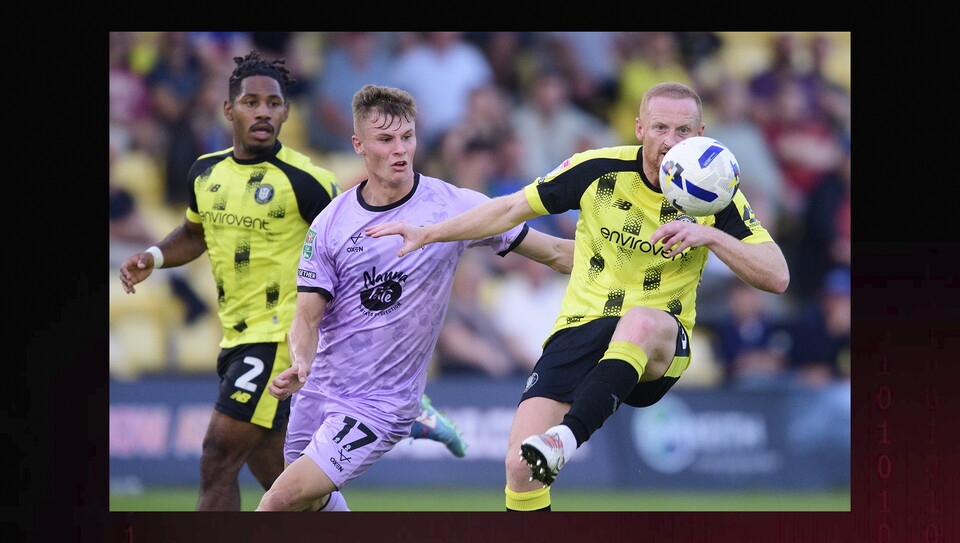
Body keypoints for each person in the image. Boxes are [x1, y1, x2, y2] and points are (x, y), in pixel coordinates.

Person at [367, 81, 789, 511]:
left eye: (683, 131)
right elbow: (512, 209)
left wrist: (710, 236)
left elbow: (777, 276)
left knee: (639, 320)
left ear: (700, 134)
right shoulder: (597, 170)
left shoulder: (714, 192)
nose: (671, 141)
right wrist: (431, 233)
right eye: (661, 127)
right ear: (640, 127)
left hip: (659, 339)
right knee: (519, 468)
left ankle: (565, 439)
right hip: (581, 328)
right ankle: (550, 452)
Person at [117, 53, 466, 511]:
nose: (263, 111)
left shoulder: (308, 182)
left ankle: (398, 406)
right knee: (284, 476)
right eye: (250, 102)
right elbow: (194, 233)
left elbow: (353, 245)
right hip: (237, 334)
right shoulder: (205, 172)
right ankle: (409, 415)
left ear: (286, 112)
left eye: (274, 103)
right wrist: (155, 256)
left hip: (281, 339)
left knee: (218, 455)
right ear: (229, 110)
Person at [256, 84, 573, 512]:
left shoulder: (454, 207)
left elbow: (554, 252)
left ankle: (411, 416)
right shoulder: (332, 222)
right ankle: (421, 421)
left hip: (382, 401)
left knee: (277, 501)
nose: (400, 150)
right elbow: (307, 318)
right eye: (385, 140)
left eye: (407, 137)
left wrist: (631, 260)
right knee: (309, 507)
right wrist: (301, 361)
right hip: (320, 389)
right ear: (359, 145)